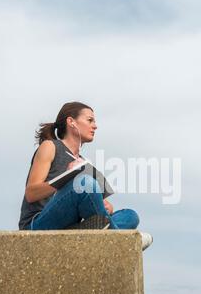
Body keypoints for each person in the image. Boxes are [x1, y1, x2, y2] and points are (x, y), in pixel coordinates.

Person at [18, 102, 153, 250]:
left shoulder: (83, 163)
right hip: (37, 224)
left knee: (130, 216)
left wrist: (106, 207)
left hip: (67, 225)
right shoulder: (51, 147)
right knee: (85, 183)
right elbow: (31, 194)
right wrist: (65, 177)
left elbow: (104, 207)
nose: (95, 126)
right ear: (71, 122)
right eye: (90, 120)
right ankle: (124, 242)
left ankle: (98, 233)